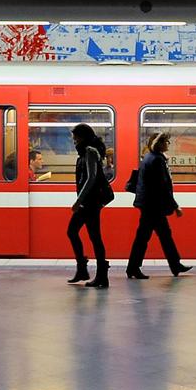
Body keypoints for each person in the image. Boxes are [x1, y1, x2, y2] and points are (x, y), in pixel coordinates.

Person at [126, 132, 191, 279]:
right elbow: (162, 186)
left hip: (148, 204)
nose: (169, 144)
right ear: (159, 143)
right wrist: (175, 206)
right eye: (167, 141)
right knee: (150, 237)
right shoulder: (157, 160)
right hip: (153, 206)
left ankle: (174, 265)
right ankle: (134, 268)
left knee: (157, 236)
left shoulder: (149, 158)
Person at [67, 123, 112, 287]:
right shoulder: (84, 152)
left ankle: (96, 272)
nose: (74, 140)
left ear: (83, 137)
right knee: (88, 235)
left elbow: (91, 178)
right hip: (88, 202)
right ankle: (87, 270)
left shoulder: (90, 151)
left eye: (76, 137)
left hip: (90, 202)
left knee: (85, 235)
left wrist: (79, 200)